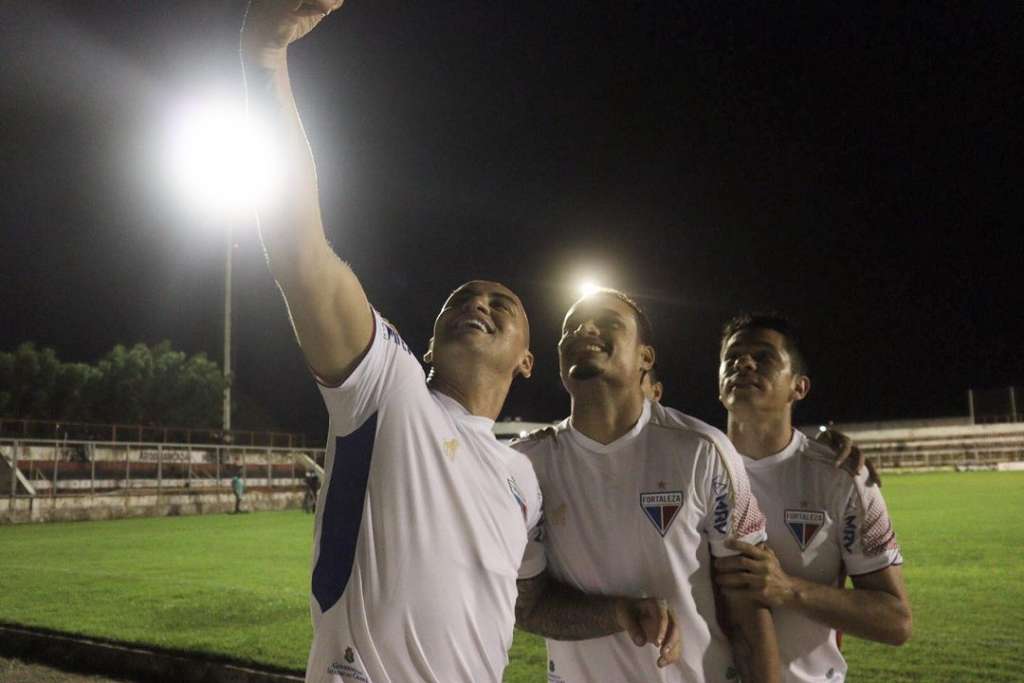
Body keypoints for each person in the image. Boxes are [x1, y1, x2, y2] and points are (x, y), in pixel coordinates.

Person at [240, 5, 668, 681]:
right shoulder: (388, 389)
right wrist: (265, 62)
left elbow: (530, 599)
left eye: (502, 303)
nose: (478, 303)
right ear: (429, 345)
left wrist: (621, 612)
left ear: (528, 360)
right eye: (460, 299)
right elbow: (302, 256)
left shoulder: (522, 477)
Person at [514, 289, 780, 683]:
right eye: (570, 328)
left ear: (645, 357)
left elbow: (747, 602)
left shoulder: (702, 450)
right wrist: (619, 613)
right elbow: (529, 606)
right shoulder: (525, 463)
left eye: (608, 322)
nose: (583, 329)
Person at [714, 313, 912, 683]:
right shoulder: (690, 467)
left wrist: (788, 589)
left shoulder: (843, 478)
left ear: (799, 387)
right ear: (719, 383)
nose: (743, 363)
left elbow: (895, 621)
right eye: (732, 357)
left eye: (764, 357)